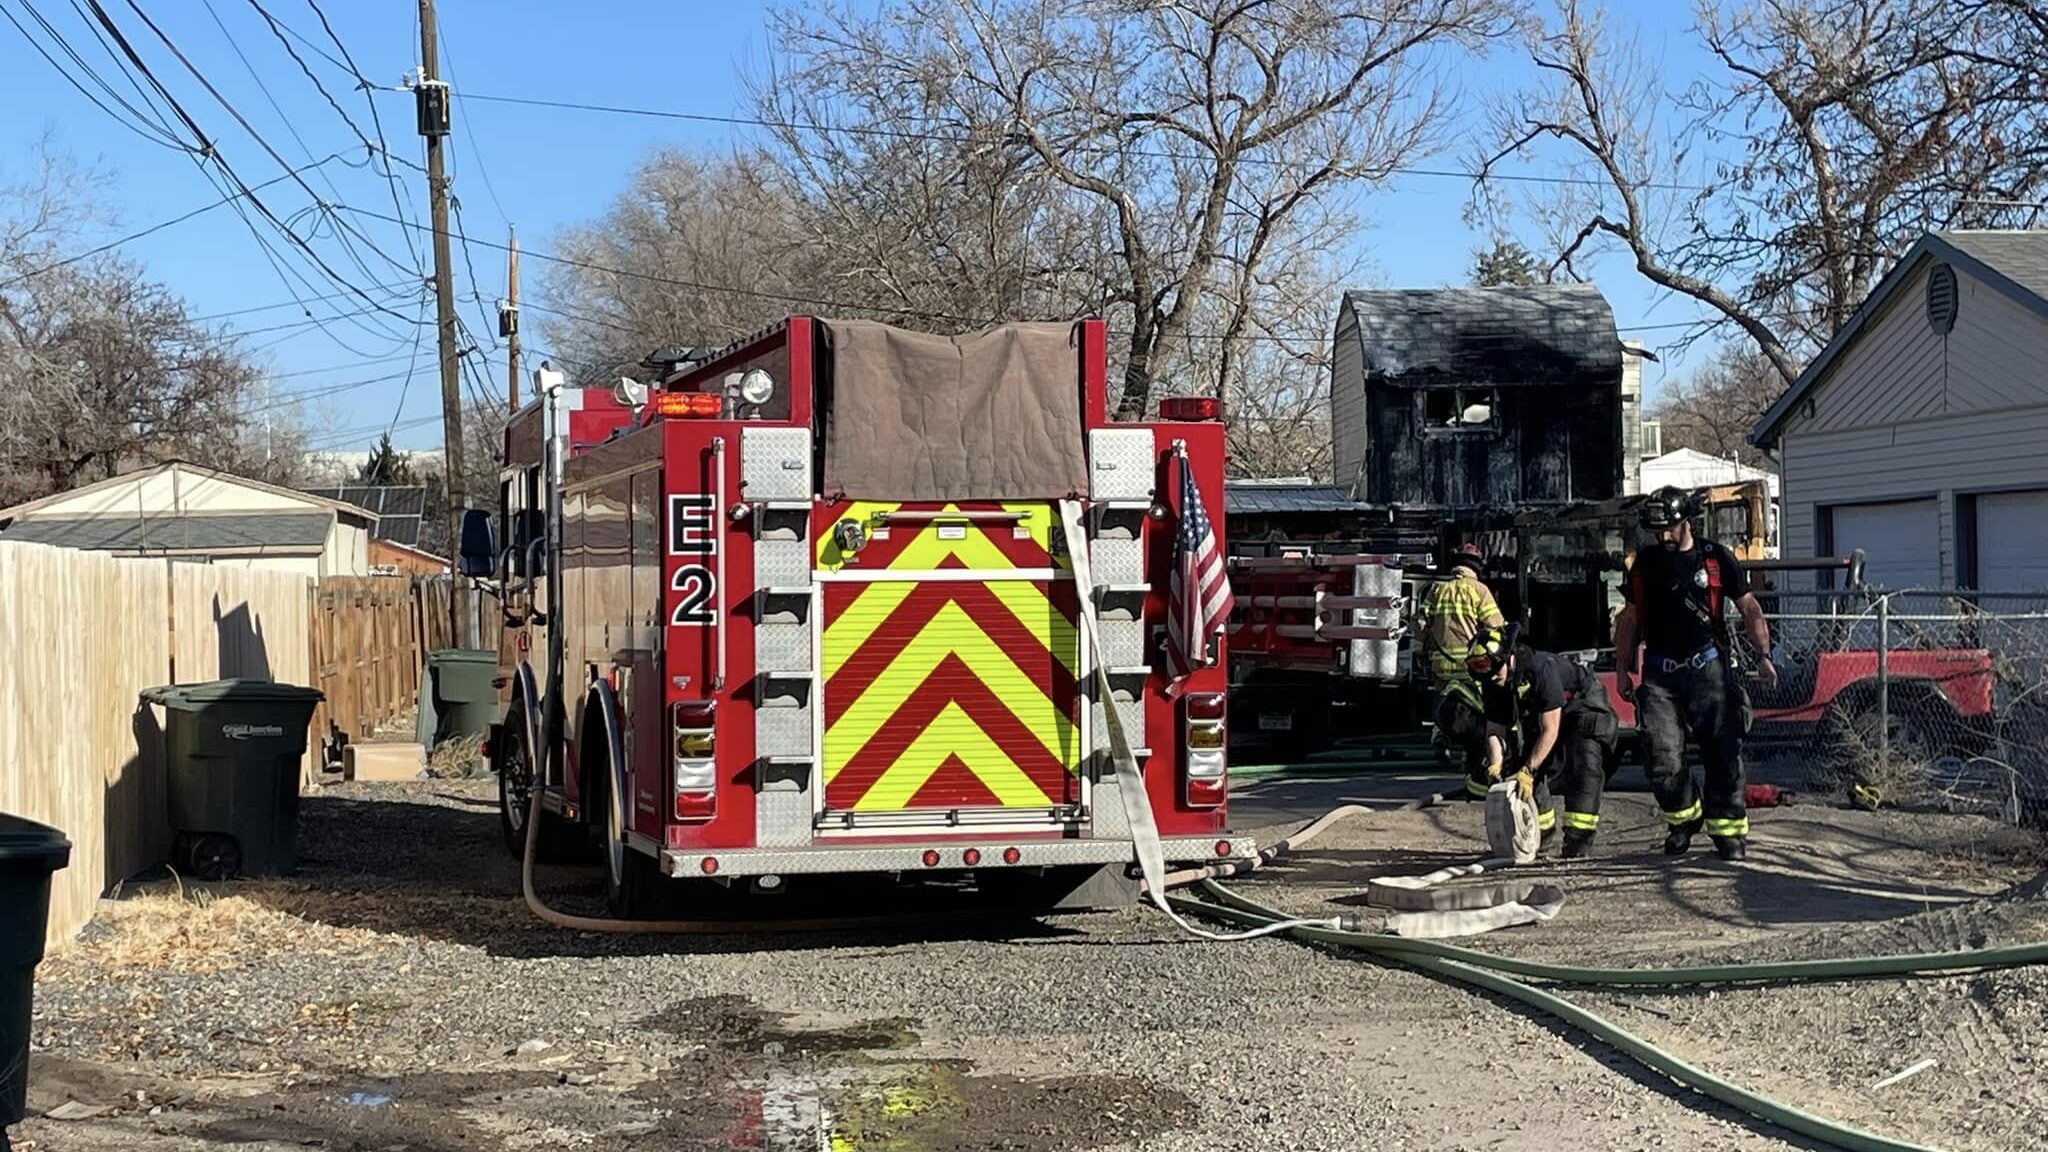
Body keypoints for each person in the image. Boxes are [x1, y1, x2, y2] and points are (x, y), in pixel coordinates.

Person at [1613, 486, 1778, 862]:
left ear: (1686, 522)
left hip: (1709, 670)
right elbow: (1631, 619)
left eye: (1669, 528)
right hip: (1659, 673)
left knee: (1723, 751)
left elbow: (1749, 606)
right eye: (1658, 531)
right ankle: (1684, 819)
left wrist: (1763, 655)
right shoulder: (1646, 565)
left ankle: (1728, 832)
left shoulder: (1715, 559)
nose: (1663, 536)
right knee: (1662, 757)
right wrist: (1624, 669)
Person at [1469, 624, 1619, 859]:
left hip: (1581, 705)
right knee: (1520, 766)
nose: (1492, 676)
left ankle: (1578, 843)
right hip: (1542, 714)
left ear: (1509, 658)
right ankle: (1539, 835)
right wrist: (1496, 763)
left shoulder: (1540, 669)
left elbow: (1550, 730)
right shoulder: (1493, 680)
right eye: (1484, 671)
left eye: (1496, 669)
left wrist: (1528, 770)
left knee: (1583, 765)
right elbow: (1495, 729)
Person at [1421, 543, 1505, 800]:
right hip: (1470, 668)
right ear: (1476, 567)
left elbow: (1422, 626)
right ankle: (1477, 770)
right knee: (1479, 719)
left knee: (1445, 707)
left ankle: (1440, 737)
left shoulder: (1436, 589)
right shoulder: (1480, 591)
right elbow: (1497, 628)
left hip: (1441, 666)